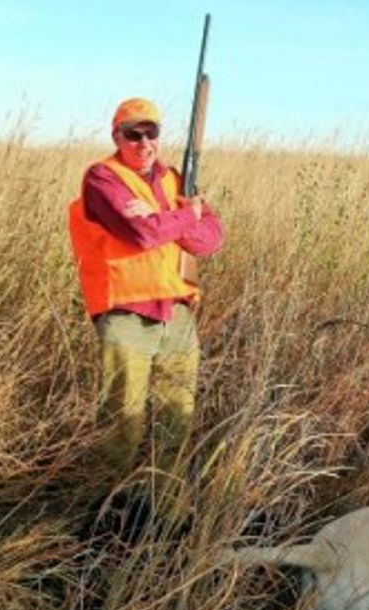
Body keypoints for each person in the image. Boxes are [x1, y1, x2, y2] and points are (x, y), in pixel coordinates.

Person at [67, 98, 223, 481]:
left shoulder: (175, 180)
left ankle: (163, 513)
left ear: (158, 134)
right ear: (116, 137)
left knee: (176, 423)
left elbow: (210, 241)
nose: (142, 142)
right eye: (131, 134)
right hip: (126, 315)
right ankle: (104, 520)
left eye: (149, 132)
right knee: (122, 426)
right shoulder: (102, 178)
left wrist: (166, 218)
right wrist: (187, 215)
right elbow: (141, 234)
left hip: (178, 314)